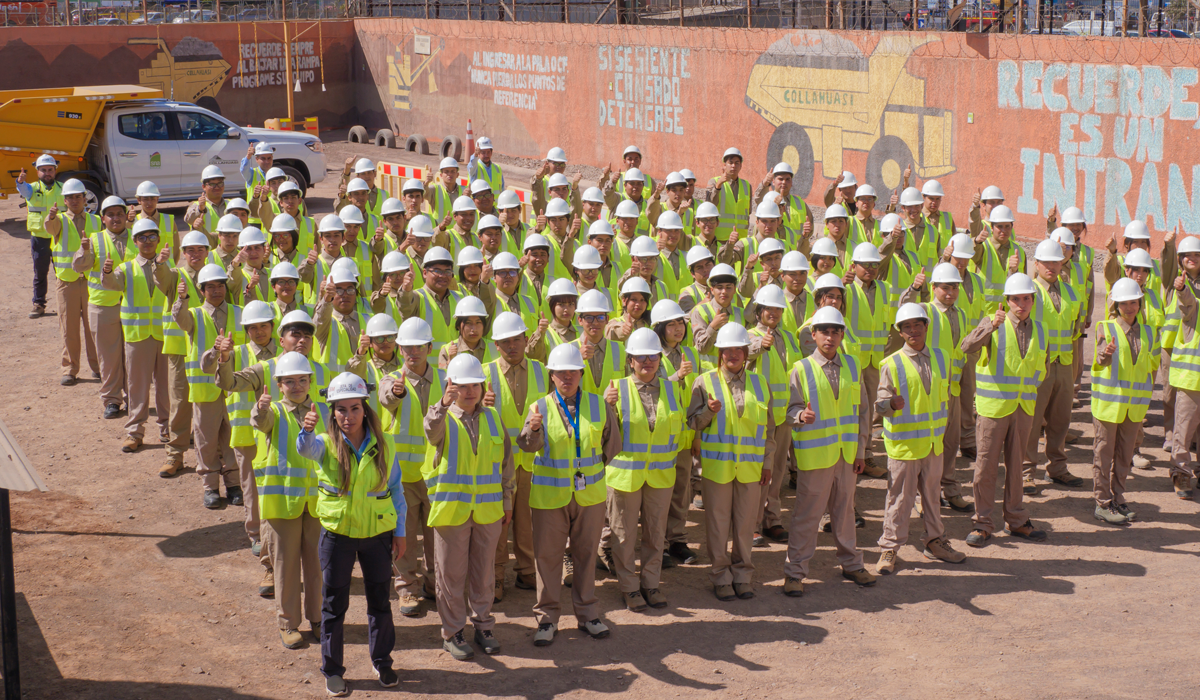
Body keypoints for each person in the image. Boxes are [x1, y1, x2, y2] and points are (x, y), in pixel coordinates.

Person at [297, 372, 404, 696]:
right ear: (333, 412)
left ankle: (382, 661)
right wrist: (306, 429)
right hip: (338, 537)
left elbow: (396, 490)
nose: (349, 416)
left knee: (380, 603)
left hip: (377, 536)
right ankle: (332, 669)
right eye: (341, 410)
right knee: (334, 606)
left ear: (365, 408)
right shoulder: (324, 444)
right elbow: (306, 449)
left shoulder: (385, 443)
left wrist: (399, 534)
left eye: (355, 408)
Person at [517, 343, 621, 646]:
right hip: (550, 497)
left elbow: (612, 443)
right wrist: (533, 431)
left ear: (580, 373)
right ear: (551, 376)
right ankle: (547, 618)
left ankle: (588, 614)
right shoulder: (539, 407)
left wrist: (590, 469)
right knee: (548, 558)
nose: (567, 377)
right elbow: (526, 446)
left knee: (586, 555)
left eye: (572, 371)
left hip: (589, 495)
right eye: (560, 373)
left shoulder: (598, 404)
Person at [423, 354, 515, 660]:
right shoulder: (441, 417)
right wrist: (442, 403)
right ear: (451, 386)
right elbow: (431, 431)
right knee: (451, 575)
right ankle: (452, 632)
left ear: (482, 385)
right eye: (462, 385)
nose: (470, 391)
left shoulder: (492, 417)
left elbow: (506, 464)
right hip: (451, 512)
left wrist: (507, 501)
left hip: (488, 512)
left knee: (483, 573)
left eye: (475, 384)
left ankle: (483, 626)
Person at [783, 306, 875, 595]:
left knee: (845, 512)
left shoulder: (852, 365)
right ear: (813, 334)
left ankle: (852, 564)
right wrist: (799, 417)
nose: (830, 337)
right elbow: (789, 409)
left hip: (846, 455)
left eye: (836, 331)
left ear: (842, 335)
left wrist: (861, 451)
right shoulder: (800, 369)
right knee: (807, 516)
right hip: (815, 457)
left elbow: (861, 411)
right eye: (824, 331)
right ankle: (795, 572)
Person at [874, 304, 965, 574]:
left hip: (933, 444)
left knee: (932, 497)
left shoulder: (942, 357)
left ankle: (936, 541)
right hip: (904, 445)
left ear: (926, 326)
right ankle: (889, 548)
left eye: (918, 325)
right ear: (900, 333)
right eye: (907, 327)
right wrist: (890, 403)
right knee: (899, 500)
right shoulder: (890, 363)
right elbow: (879, 405)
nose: (913, 330)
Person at [962, 273, 1050, 547]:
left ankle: (1016, 519)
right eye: (1015, 299)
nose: (1020, 304)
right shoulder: (994, 322)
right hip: (993, 407)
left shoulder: (1041, 329)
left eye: (1026, 299)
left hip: (1023, 407)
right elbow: (967, 347)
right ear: (1007, 301)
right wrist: (989, 326)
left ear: (1033, 301)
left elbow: (1040, 367)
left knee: (1016, 467)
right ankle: (982, 523)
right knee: (986, 467)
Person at [688, 324, 774, 601]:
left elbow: (768, 430)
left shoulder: (760, 383)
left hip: (751, 468)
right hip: (717, 468)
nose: (733, 354)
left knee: (746, 525)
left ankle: (743, 575)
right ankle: (720, 576)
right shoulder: (704, 381)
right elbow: (692, 422)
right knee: (717, 524)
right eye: (728, 349)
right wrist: (707, 412)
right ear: (720, 352)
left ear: (747, 353)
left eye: (739, 349)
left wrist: (768, 463)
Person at [603, 328, 684, 611]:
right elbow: (604, 435)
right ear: (630, 360)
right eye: (641, 357)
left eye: (653, 356)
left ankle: (651, 584)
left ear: (660, 359)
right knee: (623, 535)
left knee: (655, 533)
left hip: (660, 476)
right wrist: (606, 406)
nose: (647, 362)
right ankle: (629, 588)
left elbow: (680, 431)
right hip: (625, 476)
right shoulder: (616, 389)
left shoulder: (673, 390)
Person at [249, 351, 324, 649]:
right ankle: (288, 623)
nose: (296, 386)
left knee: (318, 566)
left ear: (310, 381)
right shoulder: (275, 412)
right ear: (279, 384)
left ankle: (318, 619)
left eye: (302, 380)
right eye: (289, 381)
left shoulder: (322, 411)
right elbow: (260, 421)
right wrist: (260, 407)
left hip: (316, 502)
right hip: (282, 503)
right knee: (286, 566)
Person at [210, 299, 278, 595]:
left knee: (275, 491)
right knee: (252, 490)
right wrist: (219, 355)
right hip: (246, 432)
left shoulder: (286, 355)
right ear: (246, 330)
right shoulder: (236, 354)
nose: (259, 332)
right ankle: (259, 539)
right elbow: (212, 371)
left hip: (276, 434)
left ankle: (271, 542)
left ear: (272, 327)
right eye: (254, 327)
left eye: (264, 326)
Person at [380, 318, 443, 616]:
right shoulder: (391, 379)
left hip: (439, 472)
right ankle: (406, 588)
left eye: (418, 346)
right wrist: (397, 392)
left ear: (430, 347)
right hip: (403, 474)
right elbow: (386, 398)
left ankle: (435, 584)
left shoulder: (446, 379)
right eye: (406, 347)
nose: (412, 352)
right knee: (403, 532)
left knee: (437, 533)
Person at [899, 263, 974, 512]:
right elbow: (903, 309)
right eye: (945, 287)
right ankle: (923, 497)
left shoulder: (961, 314)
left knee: (950, 443)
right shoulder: (924, 310)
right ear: (934, 288)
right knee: (927, 444)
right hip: (928, 391)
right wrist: (914, 287)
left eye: (954, 287)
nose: (950, 292)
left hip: (951, 389)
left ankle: (949, 489)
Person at [484, 312, 548, 601]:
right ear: (496, 345)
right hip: (497, 461)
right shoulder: (484, 374)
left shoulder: (541, 371)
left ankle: (526, 570)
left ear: (526, 340)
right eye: (505, 342)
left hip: (532, 459)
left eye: (517, 340)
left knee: (527, 520)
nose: (512, 346)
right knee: (499, 520)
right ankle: (496, 575)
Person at [175, 263, 243, 508]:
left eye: (220, 286)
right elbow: (179, 319)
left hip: (235, 389)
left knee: (232, 437)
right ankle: (211, 486)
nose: (216, 291)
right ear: (201, 290)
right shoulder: (193, 315)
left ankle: (234, 484)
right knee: (206, 440)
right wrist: (181, 299)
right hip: (205, 390)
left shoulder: (239, 312)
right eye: (210, 287)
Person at [1092, 278, 1159, 523]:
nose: (1129, 308)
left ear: (1140, 303)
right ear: (1116, 304)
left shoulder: (1150, 333)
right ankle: (1102, 502)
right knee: (1103, 455)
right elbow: (1100, 358)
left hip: (1134, 407)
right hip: (1109, 406)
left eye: (1133, 302)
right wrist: (1105, 355)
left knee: (1123, 456)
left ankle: (1119, 498)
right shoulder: (1105, 327)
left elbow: (1151, 366)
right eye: (1124, 303)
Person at [1022, 239, 1086, 494]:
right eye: (1046, 262)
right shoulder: (1030, 293)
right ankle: (1027, 472)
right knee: (1032, 421)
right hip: (1039, 366)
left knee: (1060, 421)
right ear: (1035, 264)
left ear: (1063, 263)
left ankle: (1057, 468)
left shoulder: (1072, 293)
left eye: (1056, 261)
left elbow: (1074, 332)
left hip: (1064, 365)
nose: (1051, 266)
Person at [102, 218, 170, 454]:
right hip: (137, 336)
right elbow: (112, 284)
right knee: (137, 387)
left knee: (165, 386)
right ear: (135, 241)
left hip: (164, 336)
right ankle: (135, 432)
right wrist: (107, 272)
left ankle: (167, 428)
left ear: (159, 239)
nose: (148, 242)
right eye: (143, 237)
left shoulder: (169, 269)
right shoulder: (126, 268)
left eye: (152, 237)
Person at [746, 285, 802, 545]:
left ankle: (772, 520)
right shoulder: (748, 335)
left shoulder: (789, 337)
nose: (774, 313)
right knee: (760, 472)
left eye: (778, 309)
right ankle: (753, 524)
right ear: (758, 311)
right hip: (760, 416)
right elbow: (740, 360)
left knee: (777, 471)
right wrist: (759, 346)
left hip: (783, 415)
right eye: (769, 308)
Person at [73, 195, 137, 419]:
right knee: (108, 357)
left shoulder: (137, 238)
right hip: (102, 307)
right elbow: (78, 267)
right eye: (111, 214)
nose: (116, 218)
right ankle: (111, 400)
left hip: (132, 306)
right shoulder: (93, 239)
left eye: (120, 214)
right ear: (103, 218)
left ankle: (134, 399)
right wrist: (84, 251)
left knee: (132, 356)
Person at [651, 300, 702, 565]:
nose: (678, 328)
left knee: (681, 490)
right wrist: (676, 377)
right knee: (659, 493)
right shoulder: (649, 353)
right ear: (659, 328)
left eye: (680, 323)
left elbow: (697, 396)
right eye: (670, 323)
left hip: (683, 434)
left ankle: (677, 540)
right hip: (657, 437)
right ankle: (656, 544)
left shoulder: (691, 354)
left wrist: (697, 435)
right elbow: (647, 390)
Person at [41, 179, 99, 386]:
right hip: (67, 282)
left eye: (78, 196)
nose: (74, 200)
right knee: (69, 327)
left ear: (85, 199)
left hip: (92, 281)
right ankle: (70, 368)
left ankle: (98, 367)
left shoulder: (96, 221)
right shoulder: (59, 220)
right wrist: (51, 216)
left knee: (94, 327)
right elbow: (49, 228)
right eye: (70, 197)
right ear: (64, 200)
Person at [16, 153, 65, 318]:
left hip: (61, 238)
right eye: (43, 170)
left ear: (55, 170)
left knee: (63, 273)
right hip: (40, 238)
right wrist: (20, 181)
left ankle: (66, 304)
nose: (47, 173)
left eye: (50, 169)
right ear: (37, 172)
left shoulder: (64, 188)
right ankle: (38, 304)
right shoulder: (31, 189)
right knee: (40, 273)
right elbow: (22, 188)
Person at [572, 289, 627, 394]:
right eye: (589, 318)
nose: (595, 322)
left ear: (607, 319)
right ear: (580, 320)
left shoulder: (620, 350)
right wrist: (576, 359)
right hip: (579, 409)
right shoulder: (570, 350)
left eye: (600, 317)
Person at [706, 147, 750, 243]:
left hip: (741, 239)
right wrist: (718, 185)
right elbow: (709, 206)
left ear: (741, 166)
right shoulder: (714, 181)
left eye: (737, 163)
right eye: (730, 163)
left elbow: (748, 211)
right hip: (721, 238)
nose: (733, 166)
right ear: (724, 165)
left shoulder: (747, 185)